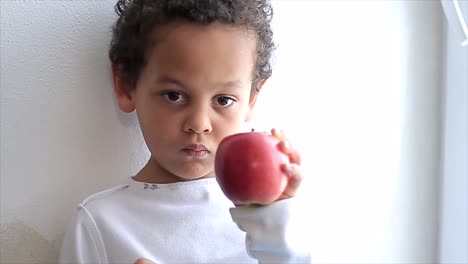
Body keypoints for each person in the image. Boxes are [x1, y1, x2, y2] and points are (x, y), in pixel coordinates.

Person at [59, 0, 311, 263]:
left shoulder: (272, 222)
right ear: (125, 85)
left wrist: (277, 222)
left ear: (252, 97)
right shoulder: (99, 223)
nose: (199, 123)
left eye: (223, 100)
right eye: (174, 95)